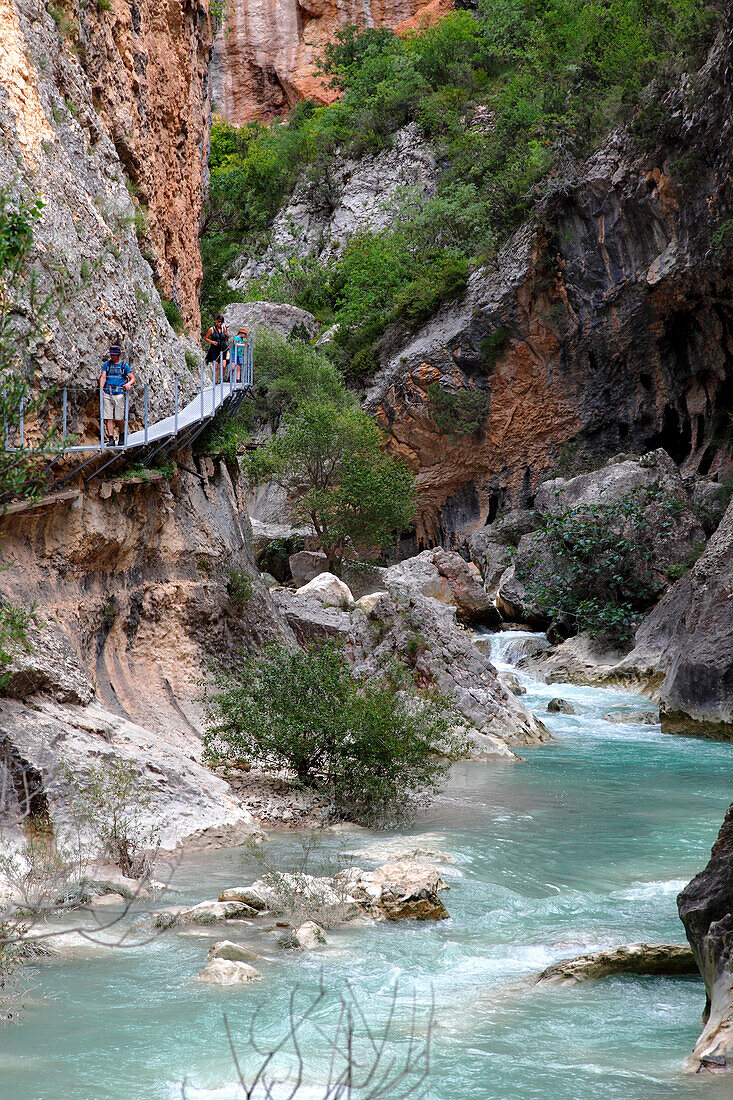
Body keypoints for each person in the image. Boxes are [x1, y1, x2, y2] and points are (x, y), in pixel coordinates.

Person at [99, 345, 135, 447]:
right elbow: (103, 376)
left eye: (114, 355)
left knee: (119, 417)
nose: (112, 356)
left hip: (119, 393)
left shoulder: (124, 365)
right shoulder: (107, 364)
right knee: (108, 417)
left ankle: (122, 435)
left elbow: (132, 378)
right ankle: (110, 439)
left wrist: (129, 384)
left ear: (118, 355)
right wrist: (101, 389)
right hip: (108, 392)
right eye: (111, 354)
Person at [204, 315, 229, 383]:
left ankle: (222, 379)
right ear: (216, 321)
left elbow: (226, 339)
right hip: (215, 349)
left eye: (221, 322)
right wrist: (212, 342)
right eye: (219, 322)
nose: (220, 323)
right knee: (216, 366)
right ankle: (216, 381)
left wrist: (227, 335)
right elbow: (206, 338)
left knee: (224, 365)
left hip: (223, 348)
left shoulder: (224, 329)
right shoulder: (211, 329)